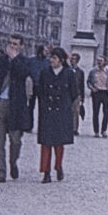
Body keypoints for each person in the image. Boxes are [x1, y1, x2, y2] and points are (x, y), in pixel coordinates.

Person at [0, 34, 31, 183]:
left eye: (16, 44)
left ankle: (13, 162)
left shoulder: (24, 61)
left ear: (21, 46)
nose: (12, 46)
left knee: (15, 140)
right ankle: (0, 173)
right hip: (1, 103)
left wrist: (15, 59)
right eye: (10, 43)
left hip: (16, 104)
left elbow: (23, 74)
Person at [37, 47, 78, 183]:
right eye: (51, 58)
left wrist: (65, 105)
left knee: (59, 144)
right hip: (48, 111)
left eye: (54, 58)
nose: (51, 60)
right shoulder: (45, 73)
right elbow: (41, 90)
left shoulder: (69, 74)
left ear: (61, 60)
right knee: (46, 143)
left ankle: (58, 166)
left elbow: (74, 92)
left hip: (61, 111)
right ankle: (46, 171)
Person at [87, 56, 108, 137]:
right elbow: (88, 82)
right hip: (96, 92)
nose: (99, 62)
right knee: (95, 112)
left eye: (101, 61)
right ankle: (96, 131)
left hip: (105, 93)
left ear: (104, 62)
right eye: (98, 61)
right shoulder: (93, 71)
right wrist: (92, 88)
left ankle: (104, 130)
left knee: (106, 113)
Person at [28, 45, 50, 132]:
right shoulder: (32, 60)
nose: (47, 52)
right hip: (33, 85)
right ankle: (29, 125)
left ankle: (42, 127)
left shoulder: (47, 61)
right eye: (45, 50)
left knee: (43, 108)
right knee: (30, 107)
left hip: (42, 86)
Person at [69, 52, 85, 136]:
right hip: (67, 94)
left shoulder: (80, 72)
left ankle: (74, 128)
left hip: (76, 94)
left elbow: (82, 85)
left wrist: (82, 98)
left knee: (76, 112)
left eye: (73, 59)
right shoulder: (67, 70)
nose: (71, 60)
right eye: (71, 59)